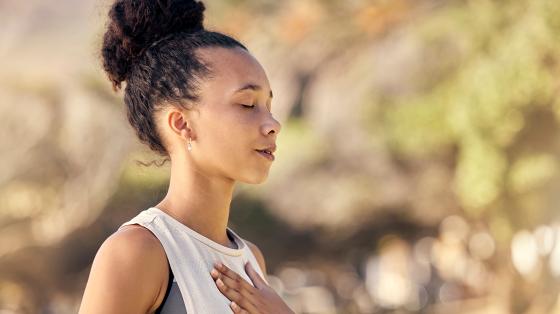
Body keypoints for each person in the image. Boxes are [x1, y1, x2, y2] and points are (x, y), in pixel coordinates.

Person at [78, 0, 295, 313]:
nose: (272, 124)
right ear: (182, 124)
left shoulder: (251, 260)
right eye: (247, 105)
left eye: (269, 107)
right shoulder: (139, 252)